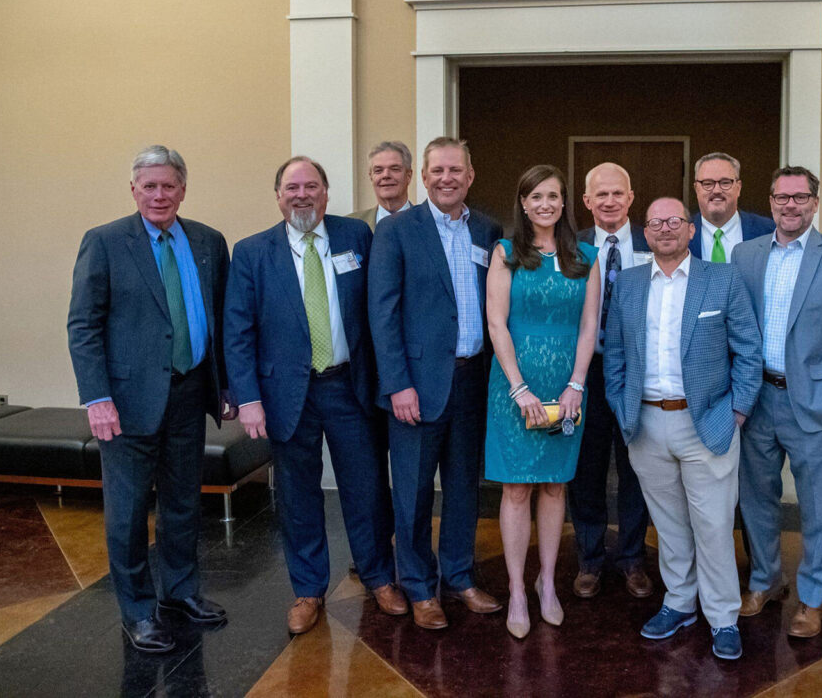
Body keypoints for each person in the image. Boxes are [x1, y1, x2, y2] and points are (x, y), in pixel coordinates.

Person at [223, 156, 403, 635]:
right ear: (278, 195)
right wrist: (248, 398)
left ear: (326, 191)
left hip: (350, 387)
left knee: (366, 490)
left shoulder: (357, 238)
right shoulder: (252, 251)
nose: (301, 195)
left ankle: (379, 577)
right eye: (291, 187)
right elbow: (237, 331)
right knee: (298, 496)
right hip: (285, 394)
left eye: (311, 186)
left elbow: (380, 309)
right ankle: (307, 591)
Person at [67, 145, 232, 654]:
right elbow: (83, 325)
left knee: (183, 504)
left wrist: (225, 386)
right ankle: (138, 610)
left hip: (189, 393)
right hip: (126, 403)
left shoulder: (208, 241)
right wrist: (97, 398)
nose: (160, 195)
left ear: (183, 188)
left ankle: (180, 593)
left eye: (169, 186)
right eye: (150, 186)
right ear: (134, 189)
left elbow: (221, 319)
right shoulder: (105, 241)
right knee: (129, 511)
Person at [604, 198, 762, 661]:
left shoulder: (723, 279)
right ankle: (679, 602)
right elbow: (614, 354)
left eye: (675, 221)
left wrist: (737, 412)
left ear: (690, 230)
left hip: (708, 420)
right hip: (646, 422)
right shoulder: (629, 284)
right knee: (669, 524)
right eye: (655, 223)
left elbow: (748, 350)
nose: (665, 229)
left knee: (713, 524)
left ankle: (723, 617)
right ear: (645, 233)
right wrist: (621, 406)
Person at [730, 165, 822, 640]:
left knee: (815, 508)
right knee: (757, 499)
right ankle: (766, 581)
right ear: (769, 201)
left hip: (813, 402)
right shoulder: (744, 254)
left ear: (815, 201)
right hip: (757, 399)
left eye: (799, 197)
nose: (789, 205)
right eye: (781, 197)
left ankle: (811, 599)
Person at [368, 136, 504, 630]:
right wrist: (397, 384)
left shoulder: (488, 230)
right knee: (414, 492)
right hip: (416, 388)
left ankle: (461, 577)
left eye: (456, 171)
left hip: (472, 382)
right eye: (438, 171)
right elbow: (381, 314)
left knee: (466, 488)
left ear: (470, 176)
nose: (447, 178)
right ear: (423, 177)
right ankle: (421, 588)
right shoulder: (398, 231)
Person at [485, 164, 601, 639]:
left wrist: (576, 384)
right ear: (523, 203)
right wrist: (519, 388)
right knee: (517, 488)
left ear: (563, 202)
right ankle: (516, 589)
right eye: (536, 197)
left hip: (568, 387)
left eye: (553, 196)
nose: (545, 204)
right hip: (515, 386)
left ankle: (547, 583)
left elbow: (589, 326)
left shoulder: (587, 256)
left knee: (555, 486)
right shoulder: (506, 253)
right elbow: (497, 323)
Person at [568, 162, 653, 600]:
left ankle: (633, 558)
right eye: (600, 195)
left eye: (617, 193)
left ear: (631, 197)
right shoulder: (570, 247)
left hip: (640, 374)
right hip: (586, 373)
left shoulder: (653, 242)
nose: (609, 201)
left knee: (636, 466)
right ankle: (589, 558)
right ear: (586, 201)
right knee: (586, 469)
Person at [689, 152, 774, 262]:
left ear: (738, 188)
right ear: (696, 189)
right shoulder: (679, 234)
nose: (717, 191)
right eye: (707, 183)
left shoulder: (768, 231)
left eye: (725, 183)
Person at [350, 140, 414, 231]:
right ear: (371, 177)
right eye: (378, 170)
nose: (386, 175)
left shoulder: (430, 223)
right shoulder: (351, 225)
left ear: (409, 175)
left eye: (394, 169)